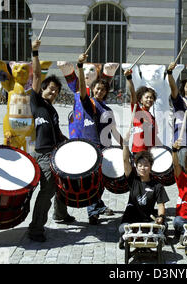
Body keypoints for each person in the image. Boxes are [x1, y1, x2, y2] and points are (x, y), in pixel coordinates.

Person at [27, 39, 75, 242]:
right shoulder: (36, 101)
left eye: (56, 90)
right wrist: (35, 52)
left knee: (61, 183)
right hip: (42, 153)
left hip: (54, 152)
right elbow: (37, 75)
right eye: (50, 88)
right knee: (47, 190)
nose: (53, 92)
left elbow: (56, 131)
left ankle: (61, 214)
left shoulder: (52, 110)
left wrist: (71, 143)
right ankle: (36, 228)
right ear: (42, 89)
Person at [76, 53, 121, 224]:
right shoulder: (88, 102)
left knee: (101, 180)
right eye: (97, 89)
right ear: (92, 89)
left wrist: (124, 145)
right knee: (92, 180)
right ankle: (93, 211)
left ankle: (97, 205)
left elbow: (114, 130)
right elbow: (81, 87)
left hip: (106, 147)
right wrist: (80, 67)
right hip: (91, 147)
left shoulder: (108, 109)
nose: (100, 91)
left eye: (103, 90)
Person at [118, 131, 169, 249]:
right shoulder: (133, 180)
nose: (143, 168)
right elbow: (126, 161)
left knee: (164, 225)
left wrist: (160, 217)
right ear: (136, 166)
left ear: (151, 166)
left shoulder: (157, 185)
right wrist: (125, 144)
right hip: (131, 220)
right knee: (122, 228)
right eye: (140, 165)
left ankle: (134, 237)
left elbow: (161, 205)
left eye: (146, 165)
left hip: (148, 220)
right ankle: (128, 237)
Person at [124, 69, 163, 153]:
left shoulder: (152, 118)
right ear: (141, 100)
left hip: (150, 153)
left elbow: (155, 137)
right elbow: (132, 93)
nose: (149, 99)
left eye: (151, 97)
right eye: (147, 97)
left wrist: (164, 149)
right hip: (139, 151)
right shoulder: (138, 112)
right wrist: (129, 78)